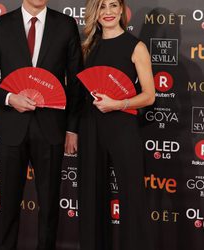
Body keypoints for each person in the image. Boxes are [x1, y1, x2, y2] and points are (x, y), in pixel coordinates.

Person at [0, 0, 83, 249]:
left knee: (49, 205)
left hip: (52, 128)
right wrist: (9, 98)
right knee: (9, 204)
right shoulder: (0, 25)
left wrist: (72, 128)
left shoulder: (66, 25)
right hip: (11, 127)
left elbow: (76, 81)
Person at [78, 0, 155, 249]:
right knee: (91, 197)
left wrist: (118, 103)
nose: (108, 12)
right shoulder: (87, 47)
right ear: (95, 13)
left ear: (122, 9)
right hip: (90, 126)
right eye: (102, 6)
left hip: (123, 126)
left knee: (133, 198)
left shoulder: (136, 47)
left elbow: (149, 95)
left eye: (113, 5)